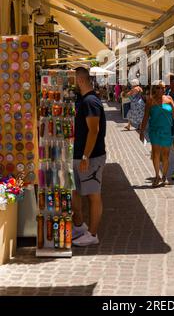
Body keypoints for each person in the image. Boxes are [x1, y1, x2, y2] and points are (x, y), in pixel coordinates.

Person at [72, 67, 107, 246]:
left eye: (73, 79)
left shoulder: (90, 101)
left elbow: (94, 130)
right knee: (76, 191)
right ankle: (79, 226)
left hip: (91, 157)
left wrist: (86, 156)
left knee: (93, 195)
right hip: (81, 155)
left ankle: (92, 234)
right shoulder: (86, 100)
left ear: (80, 80)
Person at [140, 81, 174, 187]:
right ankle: (157, 176)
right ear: (154, 89)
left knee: (166, 155)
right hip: (154, 131)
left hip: (167, 130)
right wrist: (141, 131)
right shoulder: (150, 100)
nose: (161, 90)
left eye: (163, 88)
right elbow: (145, 117)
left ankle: (164, 176)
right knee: (156, 154)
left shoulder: (169, 99)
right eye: (158, 88)